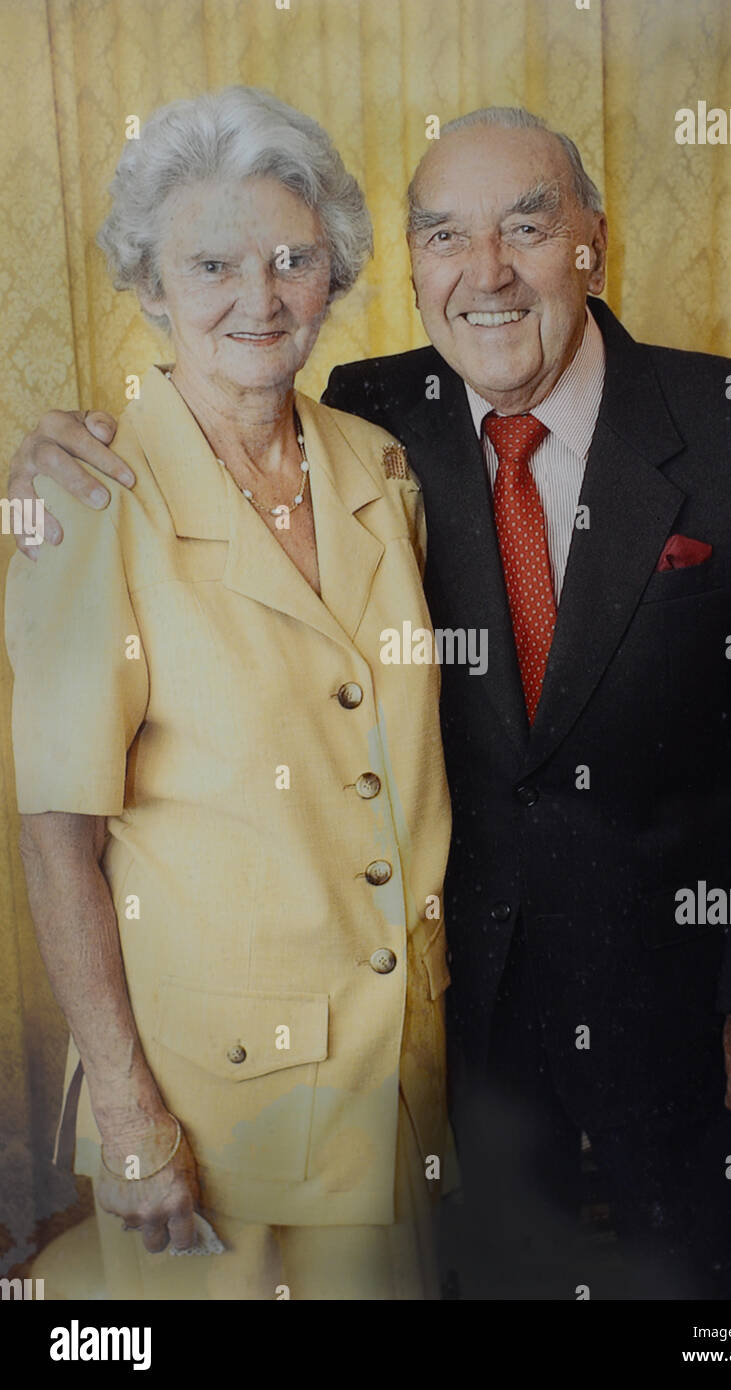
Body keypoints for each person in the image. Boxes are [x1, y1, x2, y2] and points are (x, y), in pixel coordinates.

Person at [8, 106, 731, 1301]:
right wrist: (45, 459)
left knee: (698, 1295)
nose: (487, 272)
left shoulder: (729, 425)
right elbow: (64, 826)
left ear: (592, 242)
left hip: (671, 1000)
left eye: (527, 224)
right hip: (449, 1040)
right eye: (446, 234)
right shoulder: (365, 419)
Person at [4, 86, 454, 1302]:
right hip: (209, 1109)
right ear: (149, 287)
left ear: (334, 274)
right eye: (210, 264)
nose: (256, 299)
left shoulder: (379, 465)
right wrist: (133, 1117)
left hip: (393, 1076)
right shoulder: (86, 499)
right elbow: (59, 841)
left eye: (291, 260)